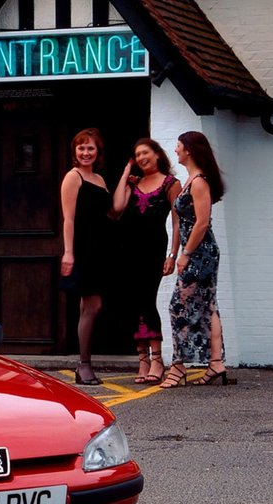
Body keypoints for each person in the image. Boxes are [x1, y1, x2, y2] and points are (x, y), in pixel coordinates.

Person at [160, 131, 228, 388]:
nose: (175, 150)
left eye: (178, 145)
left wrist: (185, 255)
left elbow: (201, 223)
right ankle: (216, 362)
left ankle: (178, 367)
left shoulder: (199, 182)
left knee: (178, 306)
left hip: (200, 253)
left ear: (189, 149)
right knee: (209, 306)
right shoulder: (192, 179)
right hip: (202, 252)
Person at [112, 138, 180, 384]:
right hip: (128, 250)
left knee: (147, 301)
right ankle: (142, 359)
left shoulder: (171, 183)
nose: (141, 158)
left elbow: (177, 221)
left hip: (153, 249)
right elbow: (118, 206)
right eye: (137, 155)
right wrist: (125, 171)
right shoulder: (134, 182)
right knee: (132, 303)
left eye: (145, 153)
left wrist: (172, 254)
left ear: (157, 154)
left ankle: (157, 360)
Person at [60, 128, 112, 385]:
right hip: (82, 249)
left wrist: (126, 177)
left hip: (99, 249)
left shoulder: (100, 180)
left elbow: (112, 212)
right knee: (94, 305)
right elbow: (68, 219)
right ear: (75, 151)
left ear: (97, 151)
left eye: (90, 148)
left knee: (87, 306)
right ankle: (83, 365)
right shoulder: (73, 177)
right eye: (81, 148)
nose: (86, 152)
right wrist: (68, 253)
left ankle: (85, 365)